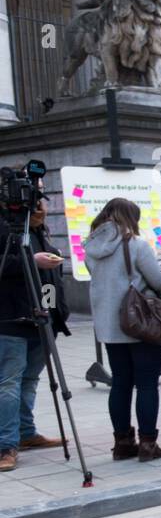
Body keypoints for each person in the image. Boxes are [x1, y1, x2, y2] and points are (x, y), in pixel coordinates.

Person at [83, 197, 161, 461]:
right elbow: (160, 281)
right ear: (131, 218)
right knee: (147, 385)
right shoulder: (136, 244)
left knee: (120, 384)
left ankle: (122, 443)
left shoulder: (90, 246)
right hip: (140, 324)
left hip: (110, 326)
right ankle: (147, 444)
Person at [0, 200, 67, 472]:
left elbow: (48, 277)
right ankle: (6, 445)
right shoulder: (7, 227)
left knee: (29, 380)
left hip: (41, 319)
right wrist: (32, 259)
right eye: (34, 192)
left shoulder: (38, 228)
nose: (40, 202)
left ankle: (26, 433)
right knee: (9, 383)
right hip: (11, 319)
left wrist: (56, 312)